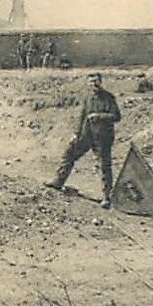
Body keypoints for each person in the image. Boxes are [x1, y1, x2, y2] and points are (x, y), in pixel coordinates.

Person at [45, 72, 123, 209]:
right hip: (86, 135)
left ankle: (107, 197)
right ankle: (58, 181)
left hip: (102, 138)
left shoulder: (109, 98)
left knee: (104, 166)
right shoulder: (87, 98)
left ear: (101, 82)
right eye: (91, 82)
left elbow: (116, 116)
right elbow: (81, 116)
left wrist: (100, 116)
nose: (94, 85)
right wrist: (76, 133)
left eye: (96, 82)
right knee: (69, 154)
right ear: (88, 83)